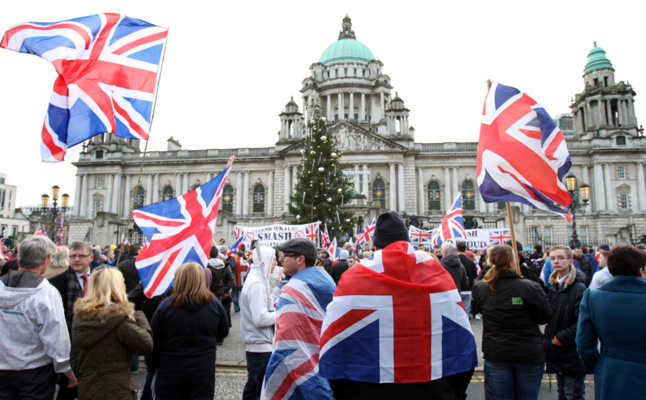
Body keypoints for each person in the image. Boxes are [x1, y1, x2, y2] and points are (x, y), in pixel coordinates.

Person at [319, 211, 477, 400]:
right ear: (407, 240)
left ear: (376, 244)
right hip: (433, 390)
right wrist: (454, 392)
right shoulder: (438, 275)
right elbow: (461, 338)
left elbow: (333, 341)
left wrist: (345, 392)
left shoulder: (354, 277)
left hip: (366, 389)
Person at [0, 236, 78, 398]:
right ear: (46, 259)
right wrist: (66, 369)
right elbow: (56, 336)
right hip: (35, 372)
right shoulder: (46, 293)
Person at [473, 244, 553, 399]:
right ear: (511, 262)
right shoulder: (530, 287)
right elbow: (545, 316)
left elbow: (482, 310)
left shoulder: (481, 287)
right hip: (527, 353)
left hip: (497, 352)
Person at [262, 238, 336, 399]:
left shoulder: (293, 289)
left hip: (302, 366)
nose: (280, 259)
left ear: (300, 259)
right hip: (324, 358)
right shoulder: (325, 279)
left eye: (285, 255)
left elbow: (286, 341)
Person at [148, 262, 229, 399]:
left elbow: (154, 339)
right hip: (202, 367)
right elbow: (223, 332)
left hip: (171, 368)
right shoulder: (214, 304)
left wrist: (152, 365)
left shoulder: (166, 306)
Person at [71, 268, 153, 399]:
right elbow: (146, 345)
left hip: (88, 389)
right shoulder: (120, 320)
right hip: (116, 391)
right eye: (122, 282)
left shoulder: (80, 317)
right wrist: (140, 316)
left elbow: (75, 359)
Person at [576, 245, 646, 399]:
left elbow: (583, 342)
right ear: (640, 270)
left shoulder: (592, 297)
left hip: (609, 370)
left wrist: (598, 365)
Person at [49, 240, 95, 399]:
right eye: (73, 256)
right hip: (68, 344)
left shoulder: (101, 279)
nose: (76, 259)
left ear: (91, 257)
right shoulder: (55, 283)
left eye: (81, 256)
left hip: (95, 346)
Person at [543, 245, 587, 400]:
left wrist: (559, 338)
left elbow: (581, 322)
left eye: (561, 258)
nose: (556, 261)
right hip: (558, 350)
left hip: (570, 350)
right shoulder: (554, 286)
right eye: (553, 258)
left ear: (570, 261)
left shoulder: (579, 287)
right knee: (562, 393)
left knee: (573, 394)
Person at [240, 247, 277, 400]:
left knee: (253, 388)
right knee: (259, 391)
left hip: (258, 345)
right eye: (273, 259)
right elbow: (260, 319)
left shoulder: (257, 280)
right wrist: (280, 314)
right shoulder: (257, 284)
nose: (275, 263)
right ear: (265, 261)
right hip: (260, 346)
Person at [456, 241, 477, 315]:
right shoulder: (471, 262)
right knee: (465, 313)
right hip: (468, 289)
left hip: (456, 289)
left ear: (456, 249)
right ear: (465, 249)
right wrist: (474, 291)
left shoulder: (454, 260)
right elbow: (475, 278)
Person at [233, 246, 249, 312]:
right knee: (244, 295)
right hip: (243, 282)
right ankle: (244, 308)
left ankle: (236, 307)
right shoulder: (246, 263)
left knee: (235, 294)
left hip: (235, 281)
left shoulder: (233, 262)